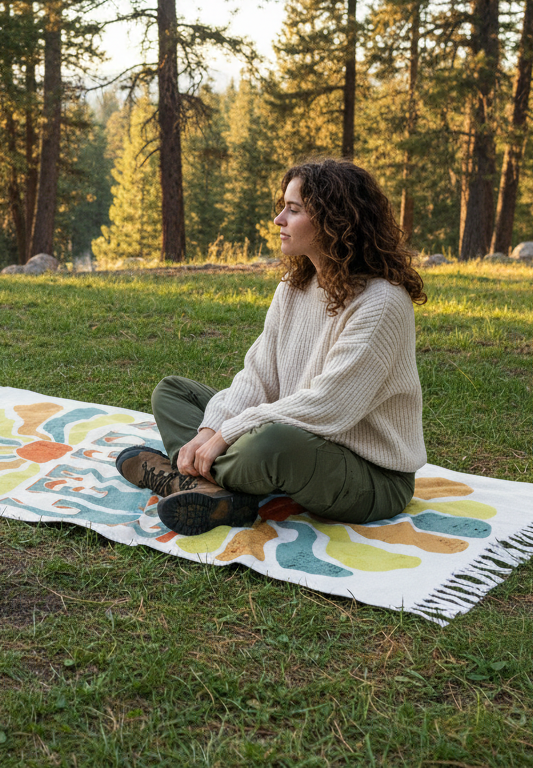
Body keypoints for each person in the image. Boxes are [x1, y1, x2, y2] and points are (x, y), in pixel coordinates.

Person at [117, 157, 427, 536]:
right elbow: (259, 376)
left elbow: (329, 405)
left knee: (270, 443)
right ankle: (210, 487)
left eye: (293, 209)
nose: (279, 219)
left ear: (336, 221)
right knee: (173, 392)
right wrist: (209, 430)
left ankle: (181, 476)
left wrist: (231, 432)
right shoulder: (294, 287)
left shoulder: (382, 302)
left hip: (370, 475)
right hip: (300, 437)